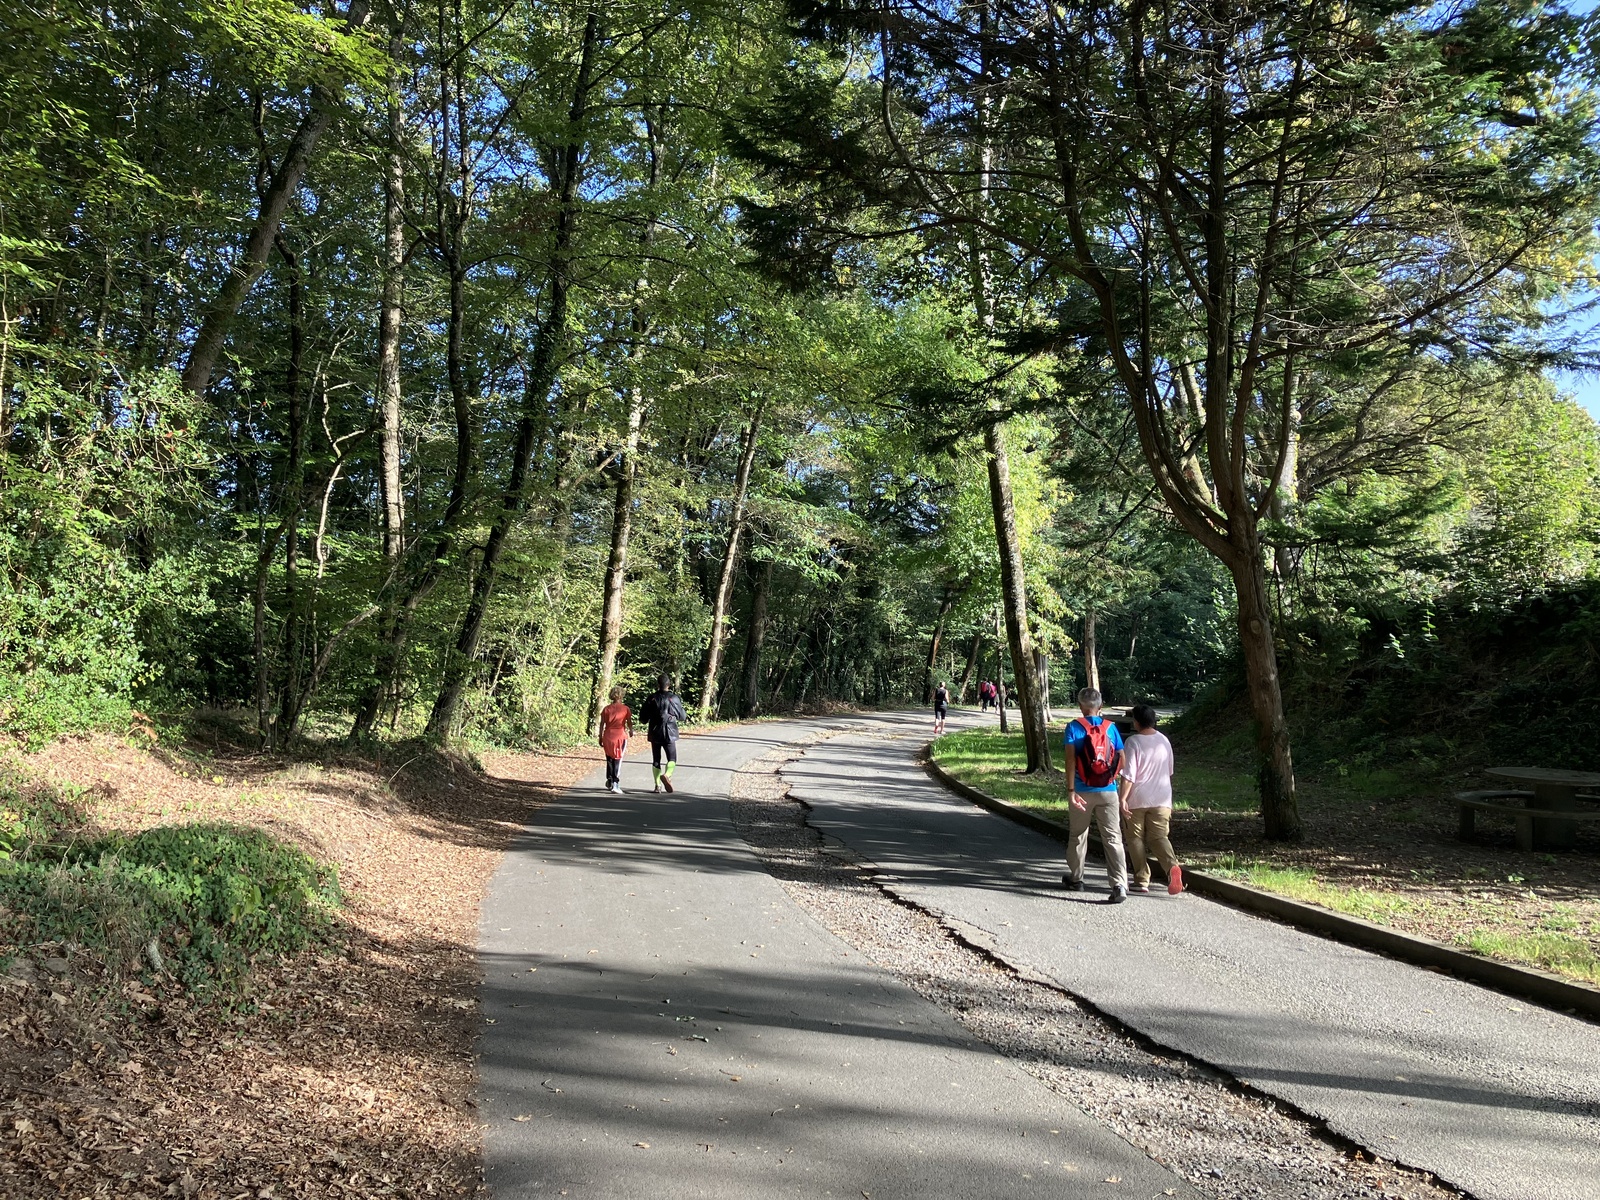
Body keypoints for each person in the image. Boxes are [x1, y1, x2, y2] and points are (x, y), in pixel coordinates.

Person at [1061, 687, 1129, 903]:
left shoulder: (1073, 727)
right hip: (1108, 791)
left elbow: (1070, 760)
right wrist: (1110, 779)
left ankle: (1076, 879)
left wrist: (1071, 790)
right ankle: (1119, 885)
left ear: (1081, 706)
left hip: (1082, 791)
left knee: (1078, 835)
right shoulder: (1111, 728)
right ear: (1100, 706)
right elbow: (1122, 759)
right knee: (1113, 837)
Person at [1119, 704, 1184, 895]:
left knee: (1135, 838)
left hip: (1137, 798)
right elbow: (1169, 770)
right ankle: (1172, 867)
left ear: (1136, 722)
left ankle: (1141, 879)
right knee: (1159, 837)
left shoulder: (1133, 742)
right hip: (1162, 798)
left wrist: (1122, 798)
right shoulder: (1164, 741)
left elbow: (1129, 775)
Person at [638, 674, 686, 793]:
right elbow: (682, 716)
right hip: (670, 732)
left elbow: (643, 718)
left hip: (655, 732)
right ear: (669, 685)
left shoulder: (652, 698)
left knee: (656, 759)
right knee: (672, 758)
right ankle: (667, 775)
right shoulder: (674, 698)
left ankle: (657, 786)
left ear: (658, 685)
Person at [597, 686, 634, 794]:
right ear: (621, 696)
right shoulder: (625, 709)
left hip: (608, 736)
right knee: (618, 759)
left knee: (609, 758)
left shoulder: (606, 709)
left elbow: (602, 724)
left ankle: (609, 778)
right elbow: (629, 722)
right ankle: (615, 783)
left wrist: (600, 736)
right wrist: (631, 730)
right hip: (620, 736)